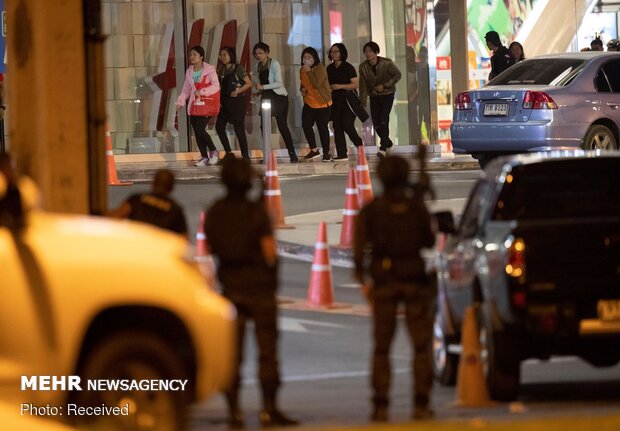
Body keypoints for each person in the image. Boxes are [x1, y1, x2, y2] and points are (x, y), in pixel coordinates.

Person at [204, 157, 298, 428]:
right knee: (267, 352)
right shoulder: (256, 213)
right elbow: (269, 253)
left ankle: (234, 412)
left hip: (230, 288)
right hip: (259, 288)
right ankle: (269, 409)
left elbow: (210, 251)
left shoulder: (215, 212)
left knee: (233, 353)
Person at [354, 155, 436, 423]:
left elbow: (358, 255)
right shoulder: (415, 207)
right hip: (414, 279)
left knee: (381, 348)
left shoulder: (371, 210)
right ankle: (421, 404)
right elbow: (429, 240)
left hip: (384, 282)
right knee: (421, 347)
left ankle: (380, 406)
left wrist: (364, 282)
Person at [253, 42, 299, 163]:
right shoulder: (258, 66)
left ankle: (292, 153)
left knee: (282, 126)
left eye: (261, 53)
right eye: (256, 53)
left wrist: (263, 87)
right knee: (264, 125)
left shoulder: (274, 64)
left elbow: (279, 83)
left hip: (279, 97)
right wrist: (259, 91)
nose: (258, 56)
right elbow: (261, 84)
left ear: (267, 52)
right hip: (266, 97)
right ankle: (267, 154)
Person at [108, 169, 188, 237]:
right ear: (172, 187)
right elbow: (183, 239)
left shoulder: (137, 198)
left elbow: (116, 216)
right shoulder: (175, 209)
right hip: (159, 250)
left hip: (137, 246)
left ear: (153, 183)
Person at [176, 45, 221, 167]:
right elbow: (186, 88)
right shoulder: (189, 71)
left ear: (201, 56)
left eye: (194, 55)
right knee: (197, 132)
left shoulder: (210, 70)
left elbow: (216, 86)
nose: (192, 57)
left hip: (206, 105)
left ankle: (214, 151)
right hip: (194, 106)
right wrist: (180, 101)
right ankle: (204, 157)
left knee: (201, 130)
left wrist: (202, 92)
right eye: (190, 55)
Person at [359, 41, 402, 160]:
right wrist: (362, 100)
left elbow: (397, 75)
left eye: (370, 51)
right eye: (366, 51)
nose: (368, 54)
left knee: (383, 119)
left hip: (387, 94)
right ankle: (388, 143)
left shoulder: (386, 63)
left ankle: (383, 149)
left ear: (376, 52)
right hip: (374, 96)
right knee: (377, 124)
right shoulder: (363, 67)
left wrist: (385, 85)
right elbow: (363, 85)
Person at [326, 43, 363, 159]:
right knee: (337, 126)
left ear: (342, 53)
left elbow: (356, 84)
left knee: (347, 124)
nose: (334, 53)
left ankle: (359, 146)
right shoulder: (329, 68)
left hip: (348, 101)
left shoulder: (348, 67)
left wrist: (339, 86)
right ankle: (342, 154)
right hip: (335, 101)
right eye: (332, 51)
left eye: (336, 51)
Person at [215, 47, 252, 162]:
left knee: (239, 130)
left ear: (231, 55)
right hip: (225, 103)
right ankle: (229, 153)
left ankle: (246, 157)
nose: (223, 57)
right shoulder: (221, 69)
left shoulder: (238, 68)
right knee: (219, 127)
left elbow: (248, 83)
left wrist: (237, 91)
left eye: (225, 54)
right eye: (221, 55)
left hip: (237, 103)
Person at [299, 47, 333, 162]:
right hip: (309, 102)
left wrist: (308, 71)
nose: (306, 59)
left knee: (322, 128)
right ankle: (314, 150)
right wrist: (302, 89)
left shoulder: (320, 68)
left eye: (309, 57)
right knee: (306, 124)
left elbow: (317, 84)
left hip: (322, 103)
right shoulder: (302, 70)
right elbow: (303, 84)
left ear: (315, 58)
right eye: (304, 57)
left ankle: (326, 152)